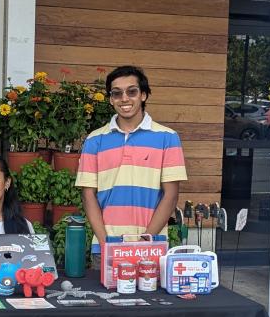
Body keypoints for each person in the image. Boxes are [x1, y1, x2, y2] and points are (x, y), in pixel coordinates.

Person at [76, 65, 187, 253]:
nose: (124, 99)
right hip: (105, 247)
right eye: (117, 93)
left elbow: (171, 195)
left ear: (143, 95)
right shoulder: (94, 139)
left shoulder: (168, 137)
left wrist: (144, 243)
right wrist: (106, 245)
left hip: (152, 246)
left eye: (132, 91)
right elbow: (88, 196)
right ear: (111, 99)